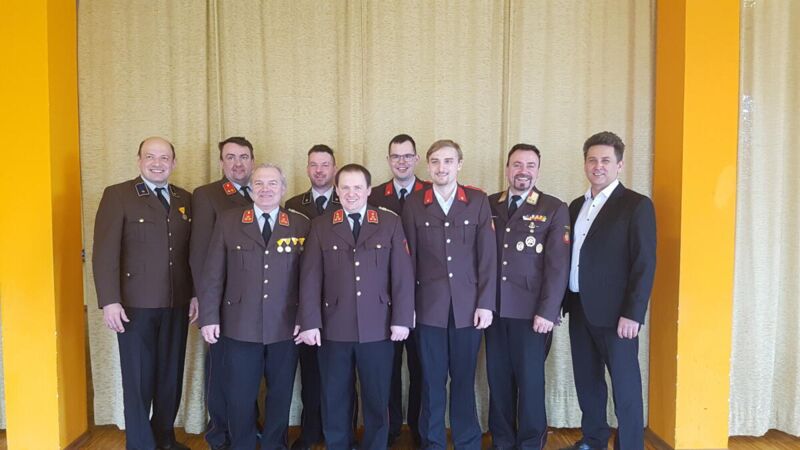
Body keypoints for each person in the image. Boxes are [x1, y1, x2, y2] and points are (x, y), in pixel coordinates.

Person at [296, 163, 415, 450]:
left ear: (369, 190)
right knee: (335, 397)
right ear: (337, 190)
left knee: (377, 397)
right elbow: (310, 278)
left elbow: (402, 275)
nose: (351, 193)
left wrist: (402, 318)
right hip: (334, 327)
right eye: (345, 187)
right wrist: (310, 322)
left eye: (358, 187)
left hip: (378, 327)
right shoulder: (321, 225)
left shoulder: (389, 222)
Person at [93, 136, 197, 450]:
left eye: (164, 157)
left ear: (174, 163)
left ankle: (164, 438)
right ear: (139, 160)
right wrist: (110, 300)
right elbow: (105, 253)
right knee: (139, 379)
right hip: (134, 306)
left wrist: (195, 294)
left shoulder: (184, 198)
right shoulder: (119, 195)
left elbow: (191, 252)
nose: (157, 163)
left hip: (176, 302)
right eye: (150, 156)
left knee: (170, 376)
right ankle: (140, 445)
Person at [199, 163, 310, 450]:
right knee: (240, 395)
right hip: (239, 325)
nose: (265, 189)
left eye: (272, 183)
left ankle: (275, 445)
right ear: (250, 190)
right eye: (259, 183)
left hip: (285, 326)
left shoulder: (299, 224)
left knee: (280, 394)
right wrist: (209, 317)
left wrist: (305, 317)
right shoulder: (229, 221)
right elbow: (213, 274)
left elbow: (309, 278)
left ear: (283, 189)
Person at [561, 131, 656, 450]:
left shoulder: (636, 205)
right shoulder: (576, 205)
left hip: (618, 316)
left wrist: (634, 313)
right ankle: (593, 440)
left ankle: (630, 445)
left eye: (605, 160)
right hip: (579, 308)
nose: (598, 166)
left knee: (625, 388)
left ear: (619, 165)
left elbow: (644, 263)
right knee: (587, 383)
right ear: (585, 164)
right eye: (592, 160)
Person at [401, 139, 497, 450]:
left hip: (468, 309)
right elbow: (407, 260)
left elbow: (487, 257)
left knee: (464, 380)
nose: (442, 168)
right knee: (431, 382)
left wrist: (486, 303)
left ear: (459, 164)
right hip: (428, 309)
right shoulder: (415, 203)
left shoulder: (478, 201)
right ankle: (432, 442)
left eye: (448, 161)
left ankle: (467, 442)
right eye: (436, 162)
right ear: (427, 166)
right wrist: (407, 307)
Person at [486, 143, 570, 449]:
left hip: (531, 313)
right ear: (507, 168)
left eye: (530, 165)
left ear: (538, 170)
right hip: (495, 310)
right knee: (498, 380)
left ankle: (531, 442)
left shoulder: (553, 207)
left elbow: (558, 266)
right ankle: (502, 441)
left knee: (530, 382)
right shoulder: (489, 204)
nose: (523, 171)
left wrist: (547, 312)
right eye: (517, 165)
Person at [190, 136, 255, 450]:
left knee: (246, 372)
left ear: (252, 161)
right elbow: (200, 254)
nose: (237, 163)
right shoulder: (208, 195)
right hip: (222, 301)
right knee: (221, 370)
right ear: (221, 162)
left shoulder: (261, 191)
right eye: (230, 157)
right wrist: (206, 305)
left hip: (252, 302)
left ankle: (246, 428)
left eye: (243, 157)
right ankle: (220, 433)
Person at [367, 133, 427, 446]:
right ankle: (389, 430)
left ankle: (419, 429)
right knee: (386, 371)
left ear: (416, 159)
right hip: (384, 299)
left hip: (426, 298)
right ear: (388, 160)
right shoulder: (374, 195)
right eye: (395, 156)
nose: (401, 162)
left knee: (422, 369)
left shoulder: (432, 193)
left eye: (407, 156)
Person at [283, 143, 344, 449]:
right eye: (314, 165)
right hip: (304, 303)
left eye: (325, 165)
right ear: (307, 168)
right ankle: (310, 432)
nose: (319, 170)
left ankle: (341, 434)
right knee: (309, 374)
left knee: (341, 376)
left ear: (335, 168)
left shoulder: (349, 199)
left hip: (341, 302)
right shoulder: (293, 205)